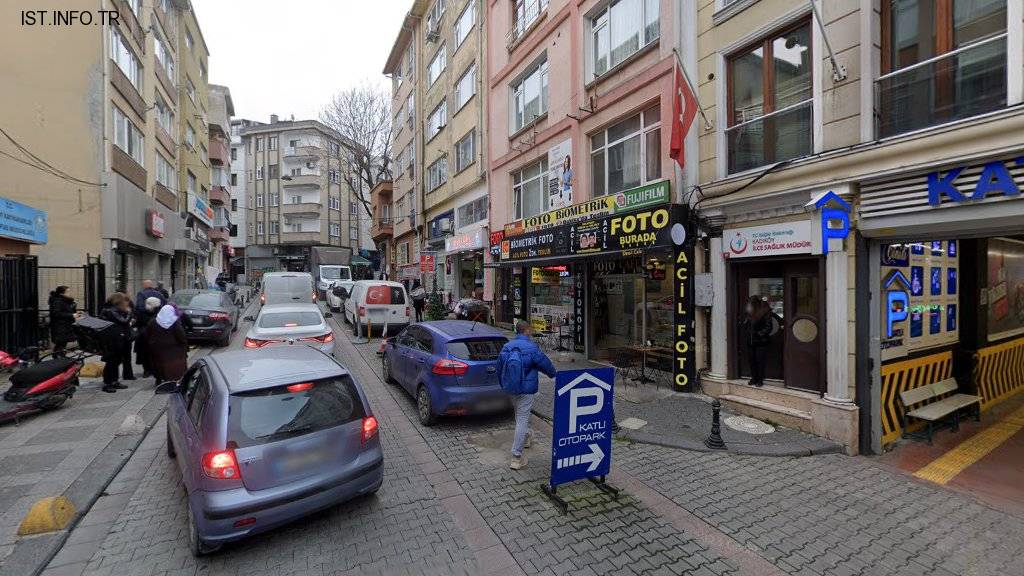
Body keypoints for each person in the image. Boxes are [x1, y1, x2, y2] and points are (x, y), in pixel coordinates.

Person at [497, 320, 557, 470]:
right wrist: (553, 374)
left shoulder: (506, 347)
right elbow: (545, 364)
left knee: (520, 415)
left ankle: (527, 437)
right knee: (522, 419)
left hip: (511, 388)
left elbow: (499, 369)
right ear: (527, 331)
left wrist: (504, 384)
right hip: (527, 389)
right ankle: (516, 457)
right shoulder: (531, 347)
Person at [143, 304, 188, 385]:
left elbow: (147, 334)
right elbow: (181, 335)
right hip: (174, 348)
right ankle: (173, 379)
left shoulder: (153, 321)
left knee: (158, 364)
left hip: (157, 348)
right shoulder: (174, 322)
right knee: (173, 364)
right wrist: (183, 344)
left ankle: (159, 379)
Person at [99, 293, 133, 393]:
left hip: (117, 339)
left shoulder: (112, 310)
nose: (127, 303)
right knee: (111, 361)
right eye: (125, 301)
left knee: (116, 360)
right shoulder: (111, 311)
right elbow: (123, 321)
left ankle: (114, 381)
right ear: (119, 301)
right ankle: (108, 383)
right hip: (112, 340)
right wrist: (129, 313)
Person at [741, 295, 773, 387]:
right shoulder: (749, 314)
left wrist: (759, 334)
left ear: (755, 305)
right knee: (752, 360)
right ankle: (754, 378)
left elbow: (768, 327)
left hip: (761, 342)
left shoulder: (764, 312)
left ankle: (760, 379)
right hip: (750, 342)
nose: (748, 306)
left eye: (750, 305)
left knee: (760, 360)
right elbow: (746, 326)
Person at [48, 286, 80, 357]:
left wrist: (74, 312)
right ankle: (59, 359)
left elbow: (65, 311)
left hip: (65, 325)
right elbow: (56, 313)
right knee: (60, 343)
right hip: (60, 326)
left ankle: (59, 358)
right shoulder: (57, 301)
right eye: (68, 292)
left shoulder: (65, 301)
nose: (70, 293)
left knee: (62, 344)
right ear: (62, 293)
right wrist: (71, 315)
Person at [135, 297, 162, 377]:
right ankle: (148, 370)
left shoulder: (142, 312)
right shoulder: (158, 313)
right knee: (147, 354)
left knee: (147, 355)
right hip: (147, 337)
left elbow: (138, 323)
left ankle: (148, 370)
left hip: (145, 337)